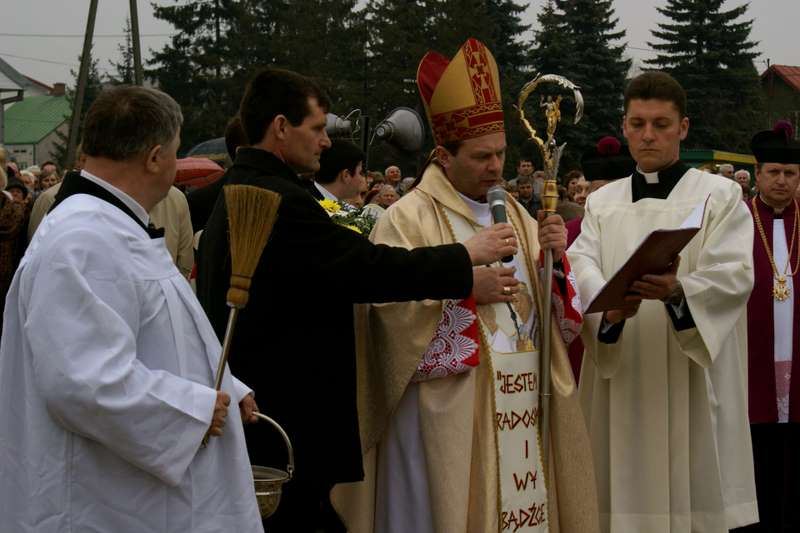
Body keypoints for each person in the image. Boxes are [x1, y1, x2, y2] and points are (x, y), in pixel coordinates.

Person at [195, 67, 517, 533]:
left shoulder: (243, 187)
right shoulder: (277, 198)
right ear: (281, 127)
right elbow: (365, 270)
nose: (326, 142)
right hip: (287, 414)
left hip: (264, 407)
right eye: (317, 128)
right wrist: (464, 258)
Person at [332, 37, 598, 533]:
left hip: (520, 398)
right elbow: (385, 321)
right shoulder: (407, 218)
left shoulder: (516, 212)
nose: (495, 167)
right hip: (445, 414)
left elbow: (549, 313)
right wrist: (466, 292)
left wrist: (554, 262)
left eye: (500, 154)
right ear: (444, 155)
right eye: (481, 157)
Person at [0, 85, 263, 532]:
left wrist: (224, 386)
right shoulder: (83, 240)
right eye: (176, 151)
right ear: (155, 157)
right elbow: (83, 381)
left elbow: (152, 334)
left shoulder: (112, 226)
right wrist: (192, 409)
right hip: (104, 502)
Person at [568, 71, 758, 532]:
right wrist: (610, 312)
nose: (648, 135)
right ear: (624, 126)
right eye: (637, 124)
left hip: (691, 376)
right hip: (623, 375)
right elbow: (581, 268)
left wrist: (678, 291)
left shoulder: (720, 196)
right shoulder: (602, 203)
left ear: (683, 127)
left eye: (661, 124)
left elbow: (734, 274)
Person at [736, 121, 800, 532]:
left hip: (796, 361)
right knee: (754, 457)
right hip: (751, 361)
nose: (782, 180)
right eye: (773, 172)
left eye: (790, 173)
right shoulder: (737, 221)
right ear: (757, 175)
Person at [311, 139, 367, 204]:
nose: (363, 179)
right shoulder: (309, 204)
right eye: (360, 173)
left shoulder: (313, 197)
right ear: (346, 175)